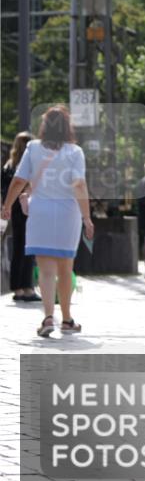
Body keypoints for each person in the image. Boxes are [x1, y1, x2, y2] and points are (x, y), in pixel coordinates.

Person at [2, 105, 94, 337]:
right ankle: (67, 319)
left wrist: (7, 206)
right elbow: (79, 185)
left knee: (44, 270)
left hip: (40, 213)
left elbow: (18, 180)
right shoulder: (75, 152)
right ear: (67, 127)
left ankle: (47, 317)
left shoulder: (33, 148)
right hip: (67, 214)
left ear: (44, 126)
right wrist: (87, 217)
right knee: (65, 269)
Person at [2, 132, 39, 302]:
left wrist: (6, 206)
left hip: (13, 210)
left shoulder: (8, 166)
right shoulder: (29, 166)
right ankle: (28, 287)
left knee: (18, 248)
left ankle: (17, 288)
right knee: (29, 248)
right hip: (28, 208)